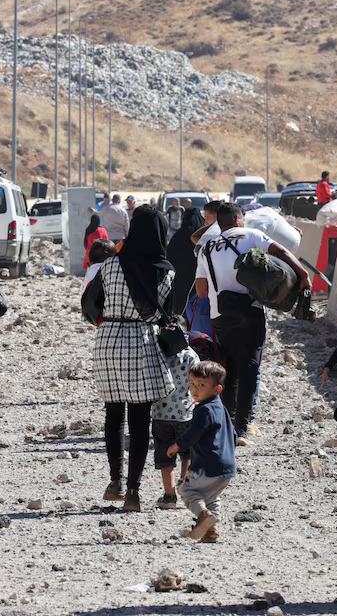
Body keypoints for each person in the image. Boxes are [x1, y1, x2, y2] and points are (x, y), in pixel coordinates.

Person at [195, 203, 311, 444]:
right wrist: (303, 274)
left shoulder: (206, 247)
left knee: (228, 370)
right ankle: (242, 428)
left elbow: (202, 291)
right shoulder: (253, 235)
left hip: (221, 315)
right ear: (239, 220)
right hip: (250, 311)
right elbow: (282, 252)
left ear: (219, 223)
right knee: (249, 368)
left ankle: (225, 424)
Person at [91, 205, 176, 512]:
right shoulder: (167, 272)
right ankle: (133, 492)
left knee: (113, 414)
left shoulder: (110, 264)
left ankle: (114, 481)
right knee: (140, 423)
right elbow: (169, 314)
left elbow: (95, 303)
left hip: (109, 341)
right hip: (142, 342)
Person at [167, 360, 236, 543]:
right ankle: (210, 530)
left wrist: (177, 445)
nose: (195, 389)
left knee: (188, 491)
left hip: (206, 464)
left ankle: (204, 515)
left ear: (217, 389)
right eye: (192, 384)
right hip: (227, 467)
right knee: (211, 497)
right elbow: (234, 435)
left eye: (202, 385)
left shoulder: (203, 410)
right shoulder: (222, 409)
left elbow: (193, 434)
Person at [151, 345, 199, 511]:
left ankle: (169, 495)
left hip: (161, 414)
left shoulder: (157, 351)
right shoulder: (190, 354)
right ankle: (184, 483)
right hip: (186, 413)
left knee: (165, 457)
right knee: (187, 453)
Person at [166, 207, 205, 315]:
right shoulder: (203, 238)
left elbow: (170, 256)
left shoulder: (178, 236)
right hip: (201, 280)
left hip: (181, 280)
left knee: (181, 311)